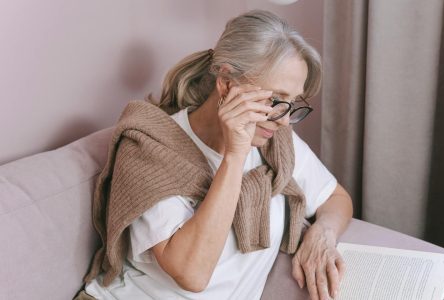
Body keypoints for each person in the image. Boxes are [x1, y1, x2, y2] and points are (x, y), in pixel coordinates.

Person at [78, 9, 353, 300]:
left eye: (292, 103)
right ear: (226, 84)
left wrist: (323, 232)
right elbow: (192, 274)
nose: (284, 120)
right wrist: (234, 157)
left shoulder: (275, 142)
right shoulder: (150, 149)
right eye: (274, 100)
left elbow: (337, 198)